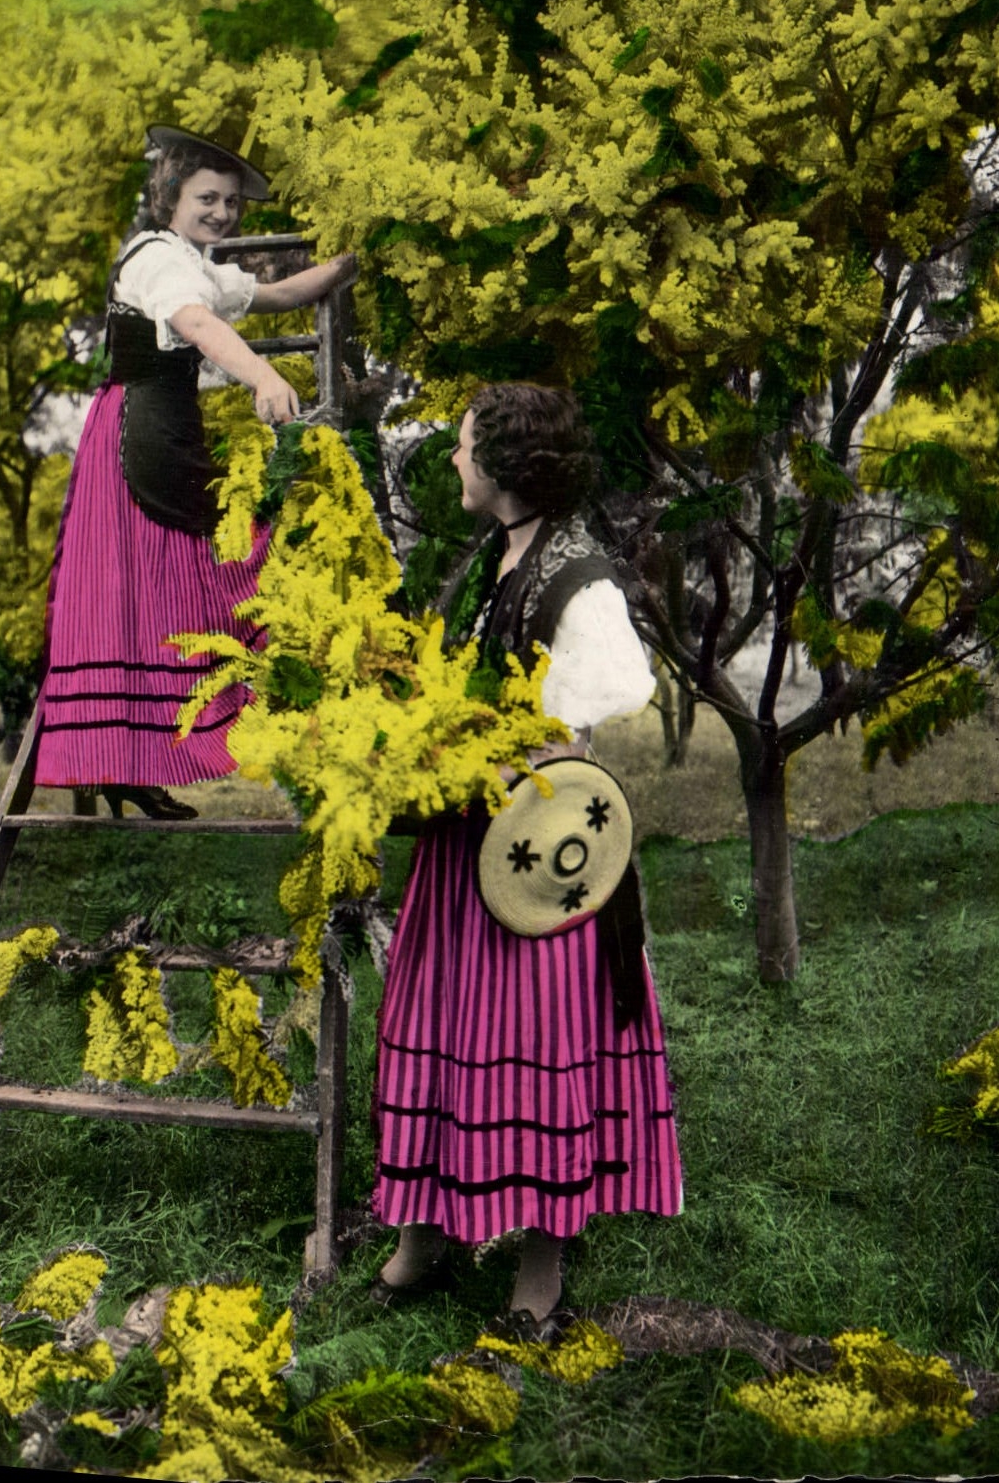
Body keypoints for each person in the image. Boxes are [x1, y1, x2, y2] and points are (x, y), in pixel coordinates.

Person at [371, 383, 683, 1330]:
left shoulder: (575, 575)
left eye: (466, 448)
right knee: (436, 1021)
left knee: (530, 1044)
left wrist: (528, 748)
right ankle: (422, 1234)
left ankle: (538, 1267)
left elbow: (612, 692)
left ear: (503, 465)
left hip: (535, 853)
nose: (456, 461)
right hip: (464, 843)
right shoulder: (496, 557)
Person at [33, 126, 355, 816]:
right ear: (170, 196)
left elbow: (269, 297)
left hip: (163, 428)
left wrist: (343, 268)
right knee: (199, 565)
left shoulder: (192, 260)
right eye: (207, 198)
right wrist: (262, 373)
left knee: (158, 585)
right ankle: (130, 757)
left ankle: (133, 760)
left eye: (232, 204)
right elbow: (199, 324)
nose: (222, 213)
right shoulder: (158, 260)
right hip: (141, 435)